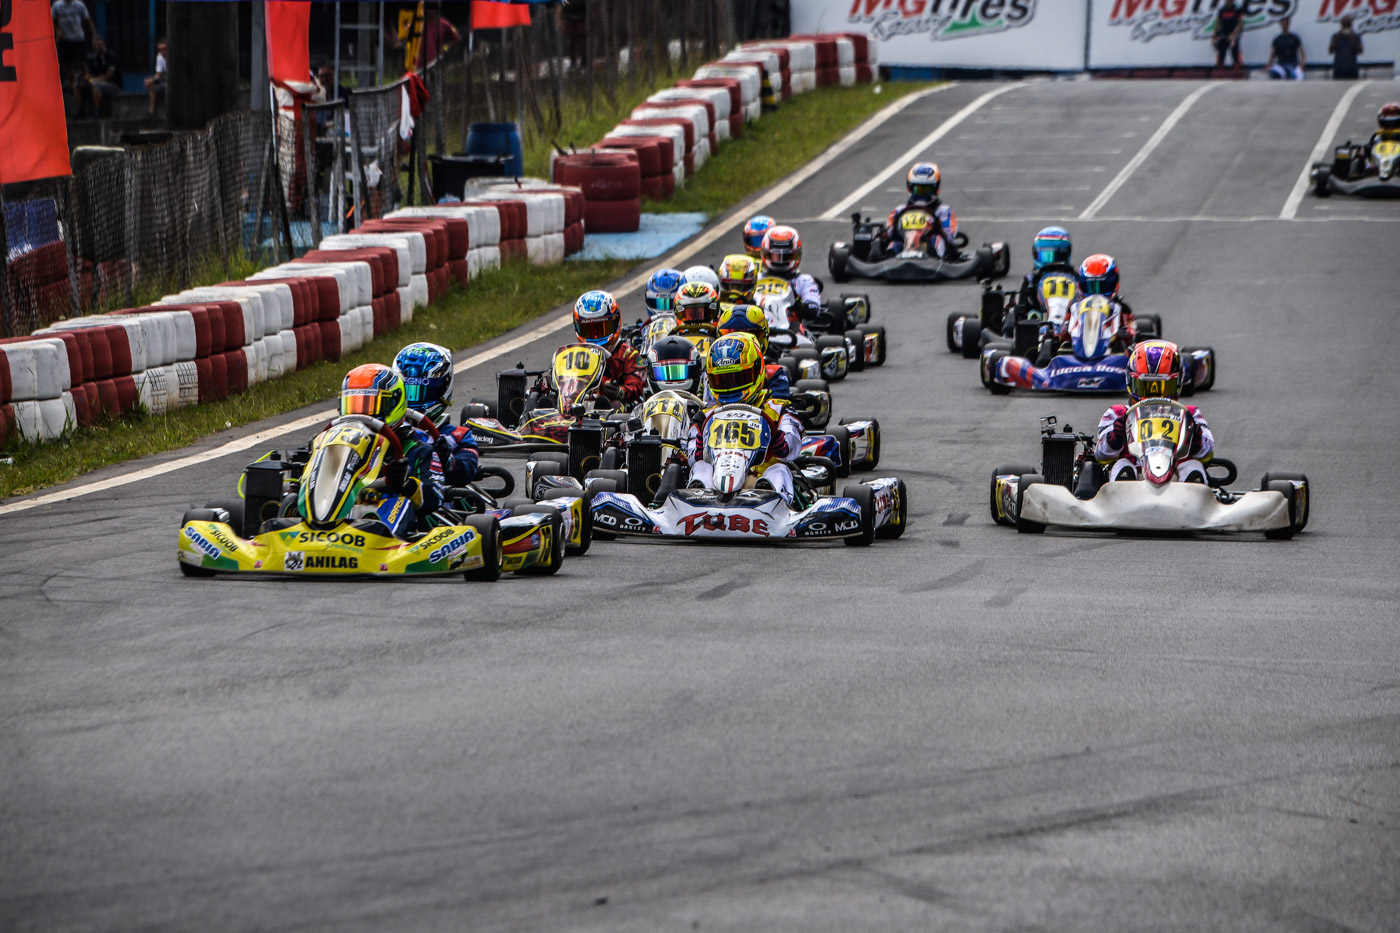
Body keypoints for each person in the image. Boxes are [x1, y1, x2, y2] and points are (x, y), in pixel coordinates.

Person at [688, 333, 803, 504]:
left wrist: (777, 440)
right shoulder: (704, 417)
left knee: (779, 469)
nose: (730, 386)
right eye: (722, 380)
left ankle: (771, 497)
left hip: (759, 483)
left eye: (739, 378)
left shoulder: (778, 409)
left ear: (757, 371)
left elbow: (791, 450)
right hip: (716, 486)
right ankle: (697, 499)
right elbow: (691, 457)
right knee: (701, 466)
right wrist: (699, 447)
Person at [338, 363, 444, 535]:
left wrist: (406, 484)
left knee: (399, 503)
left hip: (391, 517)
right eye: (354, 406)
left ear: (394, 404)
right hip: (344, 507)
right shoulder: (340, 445)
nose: (361, 415)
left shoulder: (417, 449)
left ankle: (379, 539)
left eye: (369, 406)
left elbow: (434, 498)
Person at [1095, 340, 1214, 484]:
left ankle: (1194, 493)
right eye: (1145, 387)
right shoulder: (1118, 413)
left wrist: (1196, 435)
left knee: (1193, 467)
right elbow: (1101, 454)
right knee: (1122, 465)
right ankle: (1122, 492)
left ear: (1177, 383)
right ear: (1131, 381)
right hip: (1135, 468)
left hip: (1176, 472)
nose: (1154, 396)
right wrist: (1115, 436)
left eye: (1163, 387)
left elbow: (1206, 453)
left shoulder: (1190, 414)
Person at [391, 342, 479, 488]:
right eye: (408, 392)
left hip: (435, 496)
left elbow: (466, 471)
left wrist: (448, 459)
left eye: (424, 392)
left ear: (443, 389)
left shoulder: (457, 436)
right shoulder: (387, 431)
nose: (414, 402)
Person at [573, 290, 647, 406]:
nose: (596, 336)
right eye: (589, 330)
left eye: (602, 328)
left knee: (613, 404)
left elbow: (637, 386)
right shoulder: (575, 357)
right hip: (579, 406)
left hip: (616, 410)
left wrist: (620, 392)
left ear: (615, 322)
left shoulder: (629, 355)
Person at [882, 162, 960, 259]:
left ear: (935, 189)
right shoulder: (899, 210)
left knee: (937, 239)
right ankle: (890, 258)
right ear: (909, 188)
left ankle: (935, 258)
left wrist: (936, 226)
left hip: (928, 247)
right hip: (904, 245)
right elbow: (889, 233)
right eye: (917, 190)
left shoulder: (943, 211)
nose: (921, 195)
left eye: (926, 190)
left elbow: (949, 236)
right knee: (894, 243)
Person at [716, 302, 791, 399]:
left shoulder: (772, 374)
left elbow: (779, 404)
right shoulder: (710, 374)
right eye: (732, 335)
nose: (740, 344)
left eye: (750, 335)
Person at [759, 225, 821, 322]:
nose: (780, 261)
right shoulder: (757, 279)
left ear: (796, 256)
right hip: (759, 324)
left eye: (786, 257)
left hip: (792, 326)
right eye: (775, 256)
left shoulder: (803, 281)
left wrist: (796, 304)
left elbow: (813, 310)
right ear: (764, 254)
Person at [1012, 225, 1074, 318]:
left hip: (1069, 318)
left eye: (1055, 256)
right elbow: (1021, 311)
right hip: (1038, 320)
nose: (1049, 262)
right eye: (1044, 256)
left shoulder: (1074, 278)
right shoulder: (1031, 280)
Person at [51, 0, 91, 109]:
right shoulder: (58, 6)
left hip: (78, 38)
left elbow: (87, 20)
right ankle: (73, 85)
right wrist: (58, 31)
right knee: (68, 65)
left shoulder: (79, 5)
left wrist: (93, 34)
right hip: (65, 40)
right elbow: (52, 20)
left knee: (82, 63)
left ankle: (86, 81)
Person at [81, 35, 120, 118]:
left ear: (103, 44)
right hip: (95, 83)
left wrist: (92, 80)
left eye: (99, 44)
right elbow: (89, 74)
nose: (97, 47)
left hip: (113, 85)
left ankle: (98, 112)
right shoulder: (92, 58)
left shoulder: (111, 57)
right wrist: (86, 79)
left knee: (94, 84)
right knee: (77, 85)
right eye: (95, 45)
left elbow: (108, 76)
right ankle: (80, 111)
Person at [1329, 17, 1364, 81]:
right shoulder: (1336, 36)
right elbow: (1330, 50)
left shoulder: (1355, 36)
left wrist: (1352, 39)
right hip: (1339, 67)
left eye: (1347, 24)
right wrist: (1338, 36)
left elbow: (1360, 51)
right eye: (1345, 24)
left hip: (1352, 67)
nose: (1346, 26)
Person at [1213, 1, 1243, 69]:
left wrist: (1233, 34)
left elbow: (1240, 23)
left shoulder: (1237, 9)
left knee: (1234, 45)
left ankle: (1237, 63)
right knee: (1221, 45)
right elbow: (1217, 23)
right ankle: (1220, 63)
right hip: (1224, 32)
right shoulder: (1221, 9)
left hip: (1234, 32)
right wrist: (1214, 36)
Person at [144, 39, 167, 116]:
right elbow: (158, 75)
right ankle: (152, 111)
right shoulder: (160, 57)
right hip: (164, 81)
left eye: (164, 49)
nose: (162, 51)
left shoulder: (173, 56)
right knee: (151, 85)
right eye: (160, 49)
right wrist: (151, 80)